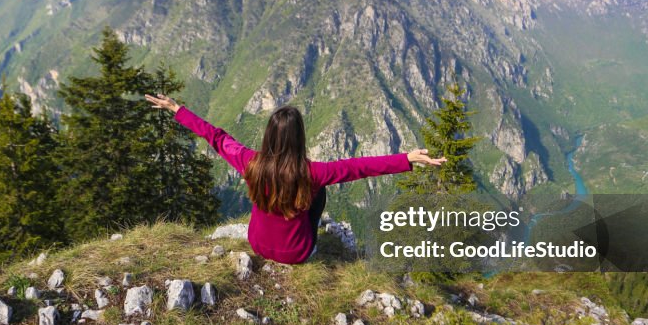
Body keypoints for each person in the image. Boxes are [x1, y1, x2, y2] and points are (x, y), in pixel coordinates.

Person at [145, 93, 446, 265]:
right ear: (299, 138)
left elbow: (217, 137)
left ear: (269, 135)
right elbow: (360, 167)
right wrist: (407, 158)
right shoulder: (312, 173)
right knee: (320, 193)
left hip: (258, 245)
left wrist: (177, 109)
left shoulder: (251, 162)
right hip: (298, 254)